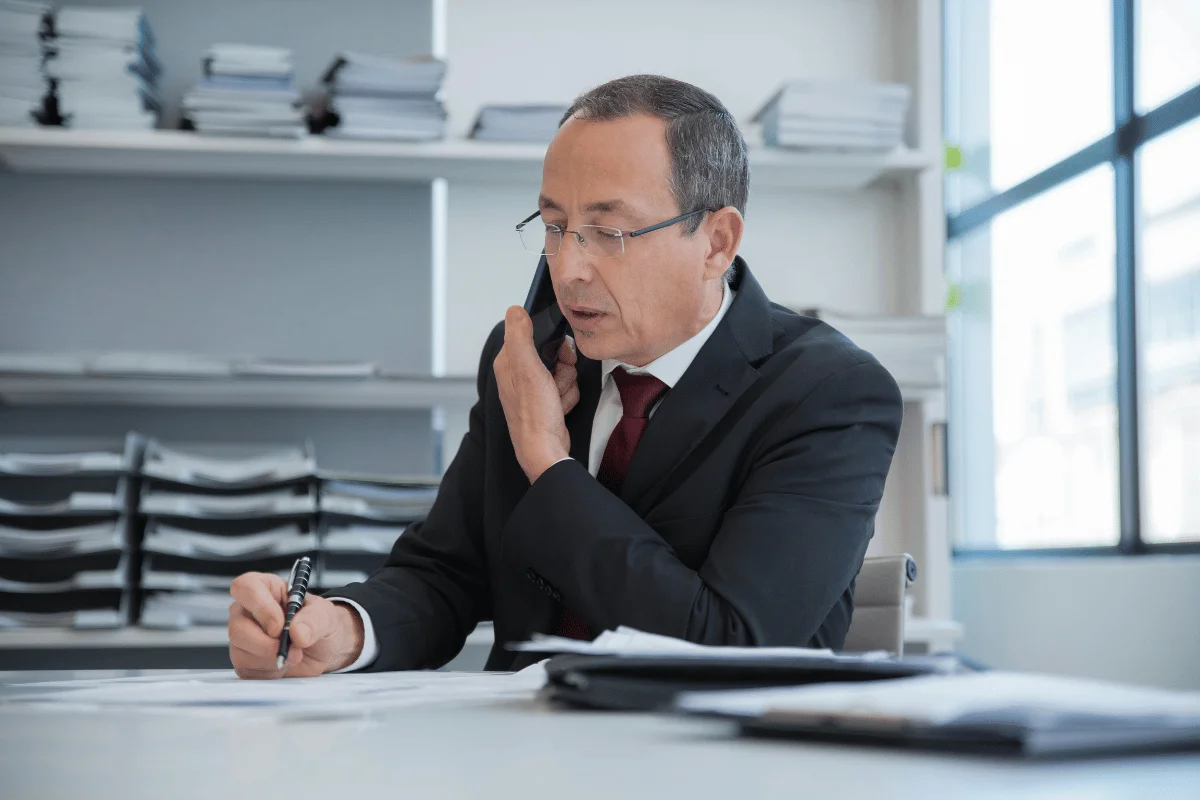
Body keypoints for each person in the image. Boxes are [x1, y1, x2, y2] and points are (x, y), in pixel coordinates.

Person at [227, 74, 903, 679]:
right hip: (523, 757)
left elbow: (731, 643)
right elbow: (445, 573)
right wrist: (341, 631)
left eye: (609, 234)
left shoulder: (829, 394)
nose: (569, 267)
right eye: (554, 226)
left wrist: (548, 464)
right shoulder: (535, 357)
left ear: (717, 242)